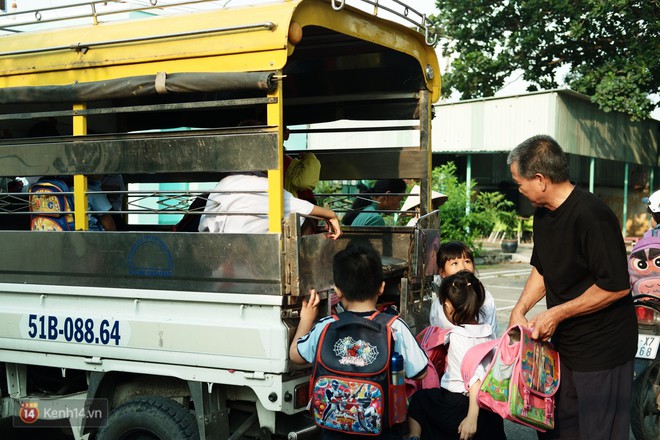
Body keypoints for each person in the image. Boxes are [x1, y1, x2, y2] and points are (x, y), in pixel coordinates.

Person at [506, 134, 636, 440]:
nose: (519, 189)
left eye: (519, 181)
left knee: (597, 431)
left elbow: (615, 286)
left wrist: (556, 314)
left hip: (603, 349)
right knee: (558, 427)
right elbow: (543, 267)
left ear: (540, 179)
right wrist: (520, 308)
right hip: (564, 348)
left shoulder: (592, 215)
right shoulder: (542, 214)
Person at [289, 245, 428, 439]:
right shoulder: (395, 327)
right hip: (383, 433)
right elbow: (421, 372)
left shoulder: (326, 325)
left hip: (333, 432)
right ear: (381, 287)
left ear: (338, 290)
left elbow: (295, 355)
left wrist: (305, 320)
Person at [406, 270, 506, 440]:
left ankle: (414, 437)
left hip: (459, 404)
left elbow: (475, 380)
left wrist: (471, 418)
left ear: (449, 306)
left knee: (420, 400)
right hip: (488, 406)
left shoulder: (459, 336)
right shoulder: (488, 332)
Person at [198, 172, 341, 238]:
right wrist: (331, 215)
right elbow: (305, 208)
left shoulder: (222, 185)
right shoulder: (268, 186)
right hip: (261, 266)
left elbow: (205, 228)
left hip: (223, 264)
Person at [430, 241, 498, 336]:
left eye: (467, 261)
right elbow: (436, 334)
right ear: (442, 272)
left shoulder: (484, 297)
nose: (462, 267)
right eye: (454, 263)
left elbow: (492, 330)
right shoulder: (438, 304)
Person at [342, 179, 407, 226]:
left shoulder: (366, 211)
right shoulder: (375, 219)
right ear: (387, 196)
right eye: (399, 200)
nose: (398, 206)